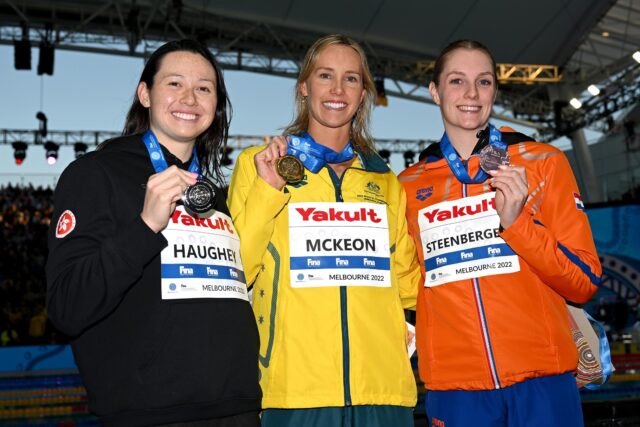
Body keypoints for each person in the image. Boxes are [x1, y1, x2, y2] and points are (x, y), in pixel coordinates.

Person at [46, 39, 261, 427]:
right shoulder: (95, 174)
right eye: (174, 84)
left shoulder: (211, 192)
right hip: (151, 414)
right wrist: (144, 227)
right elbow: (66, 307)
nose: (190, 98)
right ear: (145, 94)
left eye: (204, 88)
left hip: (238, 407)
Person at [399, 40, 602, 427]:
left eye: (484, 82)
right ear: (435, 91)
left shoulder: (542, 161)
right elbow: (407, 284)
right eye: (457, 81)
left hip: (543, 382)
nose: (471, 94)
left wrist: (516, 224)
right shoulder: (406, 186)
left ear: (495, 89)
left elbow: (584, 281)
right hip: (456, 390)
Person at [227, 34, 422, 427]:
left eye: (351, 79)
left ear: (363, 93)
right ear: (304, 86)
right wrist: (270, 190)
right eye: (325, 75)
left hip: (383, 391)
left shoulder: (385, 181)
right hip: (293, 392)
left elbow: (409, 286)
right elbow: (236, 271)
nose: (337, 89)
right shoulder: (260, 164)